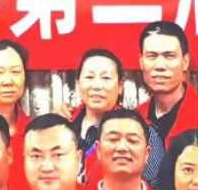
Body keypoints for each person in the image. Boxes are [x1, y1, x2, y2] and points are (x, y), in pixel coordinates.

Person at [65, 47, 163, 183]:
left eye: (106, 78)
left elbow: (156, 187)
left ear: (120, 86)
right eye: (89, 77)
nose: (97, 86)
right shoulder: (62, 127)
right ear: (78, 84)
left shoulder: (144, 133)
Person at [137, 21, 198, 139]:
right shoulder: (134, 119)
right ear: (141, 62)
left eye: (169, 56)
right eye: (152, 56)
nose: (160, 66)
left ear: (185, 62)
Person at [89, 109, 154, 190]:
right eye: (113, 139)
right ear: (98, 150)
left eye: (132, 141)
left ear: (147, 154)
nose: (122, 148)